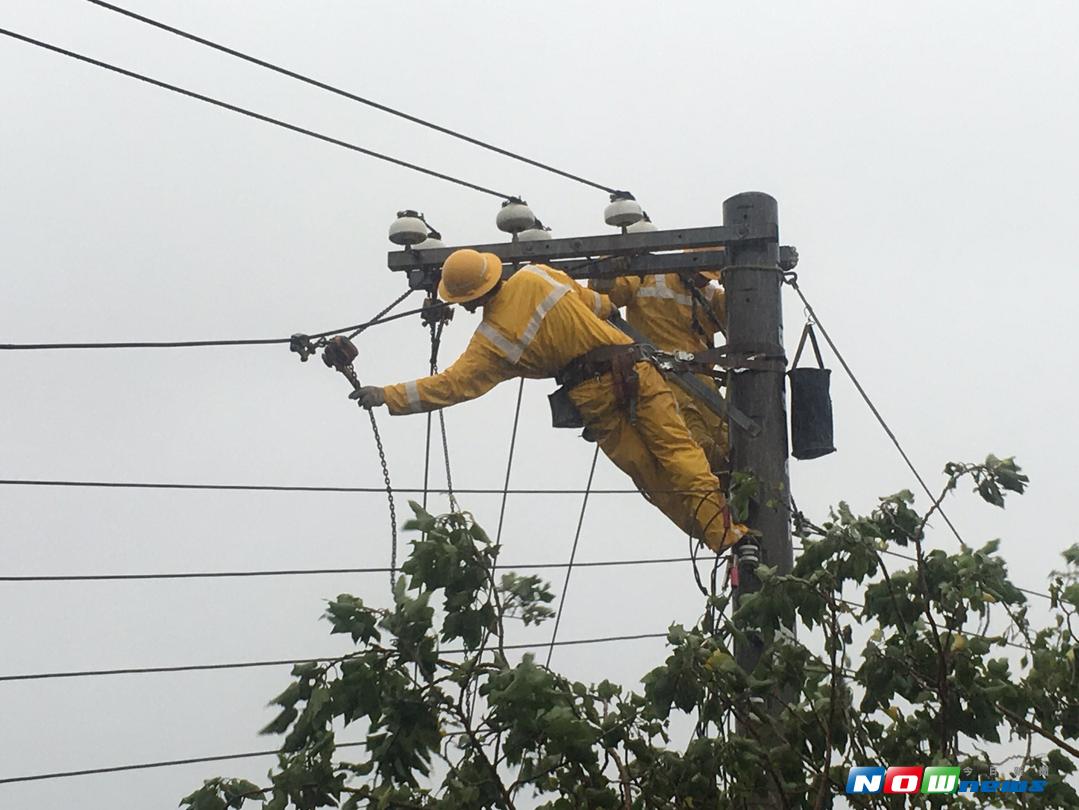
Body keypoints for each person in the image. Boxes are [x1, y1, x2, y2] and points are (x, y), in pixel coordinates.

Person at [351, 248, 746, 551]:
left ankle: (722, 539)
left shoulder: (492, 341)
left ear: (467, 300)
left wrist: (387, 395)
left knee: (653, 477)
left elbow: (451, 386)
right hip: (633, 369)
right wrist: (600, 310)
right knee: (679, 452)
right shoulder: (537, 275)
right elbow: (600, 305)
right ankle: (731, 532)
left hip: (596, 399)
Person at [592, 264, 730, 475]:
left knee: (728, 437)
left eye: (708, 278)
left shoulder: (708, 294)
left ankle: (738, 480)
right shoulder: (646, 275)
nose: (703, 281)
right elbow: (608, 293)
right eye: (701, 276)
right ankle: (720, 481)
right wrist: (610, 264)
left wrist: (738, 283)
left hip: (701, 377)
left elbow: (739, 313)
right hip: (660, 374)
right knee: (696, 438)